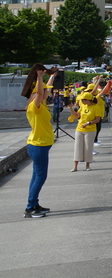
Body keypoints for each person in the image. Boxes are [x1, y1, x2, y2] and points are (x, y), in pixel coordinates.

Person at [22, 65, 57, 218]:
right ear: (36, 93)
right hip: (38, 145)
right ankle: (30, 207)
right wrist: (39, 77)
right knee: (40, 177)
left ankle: (34, 203)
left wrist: (52, 76)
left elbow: (46, 90)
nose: (45, 94)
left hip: (41, 145)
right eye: (40, 92)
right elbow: (41, 91)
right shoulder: (33, 106)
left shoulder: (41, 104)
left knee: (37, 176)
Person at [68, 90, 101, 172]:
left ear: (88, 100)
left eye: (83, 100)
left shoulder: (96, 107)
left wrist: (88, 123)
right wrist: (71, 108)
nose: (81, 101)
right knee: (78, 147)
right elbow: (76, 115)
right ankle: (75, 166)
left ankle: (88, 165)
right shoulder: (82, 106)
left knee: (88, 147)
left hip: (90, 130)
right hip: (79, 128)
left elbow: (97, 120)